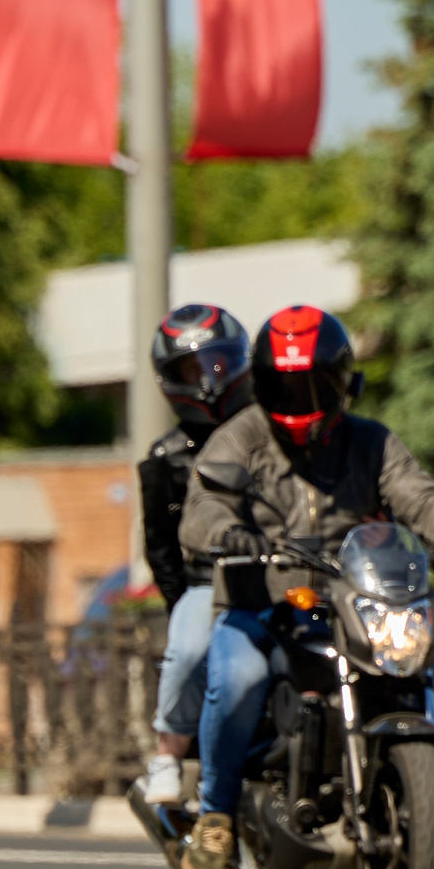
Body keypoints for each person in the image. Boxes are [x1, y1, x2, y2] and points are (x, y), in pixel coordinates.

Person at [174, 305, 434, 869]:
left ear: (342, 381)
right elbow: (202, 507)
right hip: (260, 606)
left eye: (314, 384)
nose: (299, 399)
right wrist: (227, 533)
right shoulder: (240, 436)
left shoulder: (370, 442)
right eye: (284, 385)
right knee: (239, 679)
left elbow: (418, 494)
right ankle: (216, 814)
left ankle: (410, 797)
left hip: (351, 604)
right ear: (260, 383)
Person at [136, 304, 253, 806]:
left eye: (218, 364)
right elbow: (160, 547)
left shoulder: (267, 434)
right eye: (192, 370)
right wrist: (182, 603)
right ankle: (168, 754)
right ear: (170, 380)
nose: (208, 379)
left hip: (286, 575)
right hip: (209, 583)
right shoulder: (164, 459)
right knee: (188, 649)